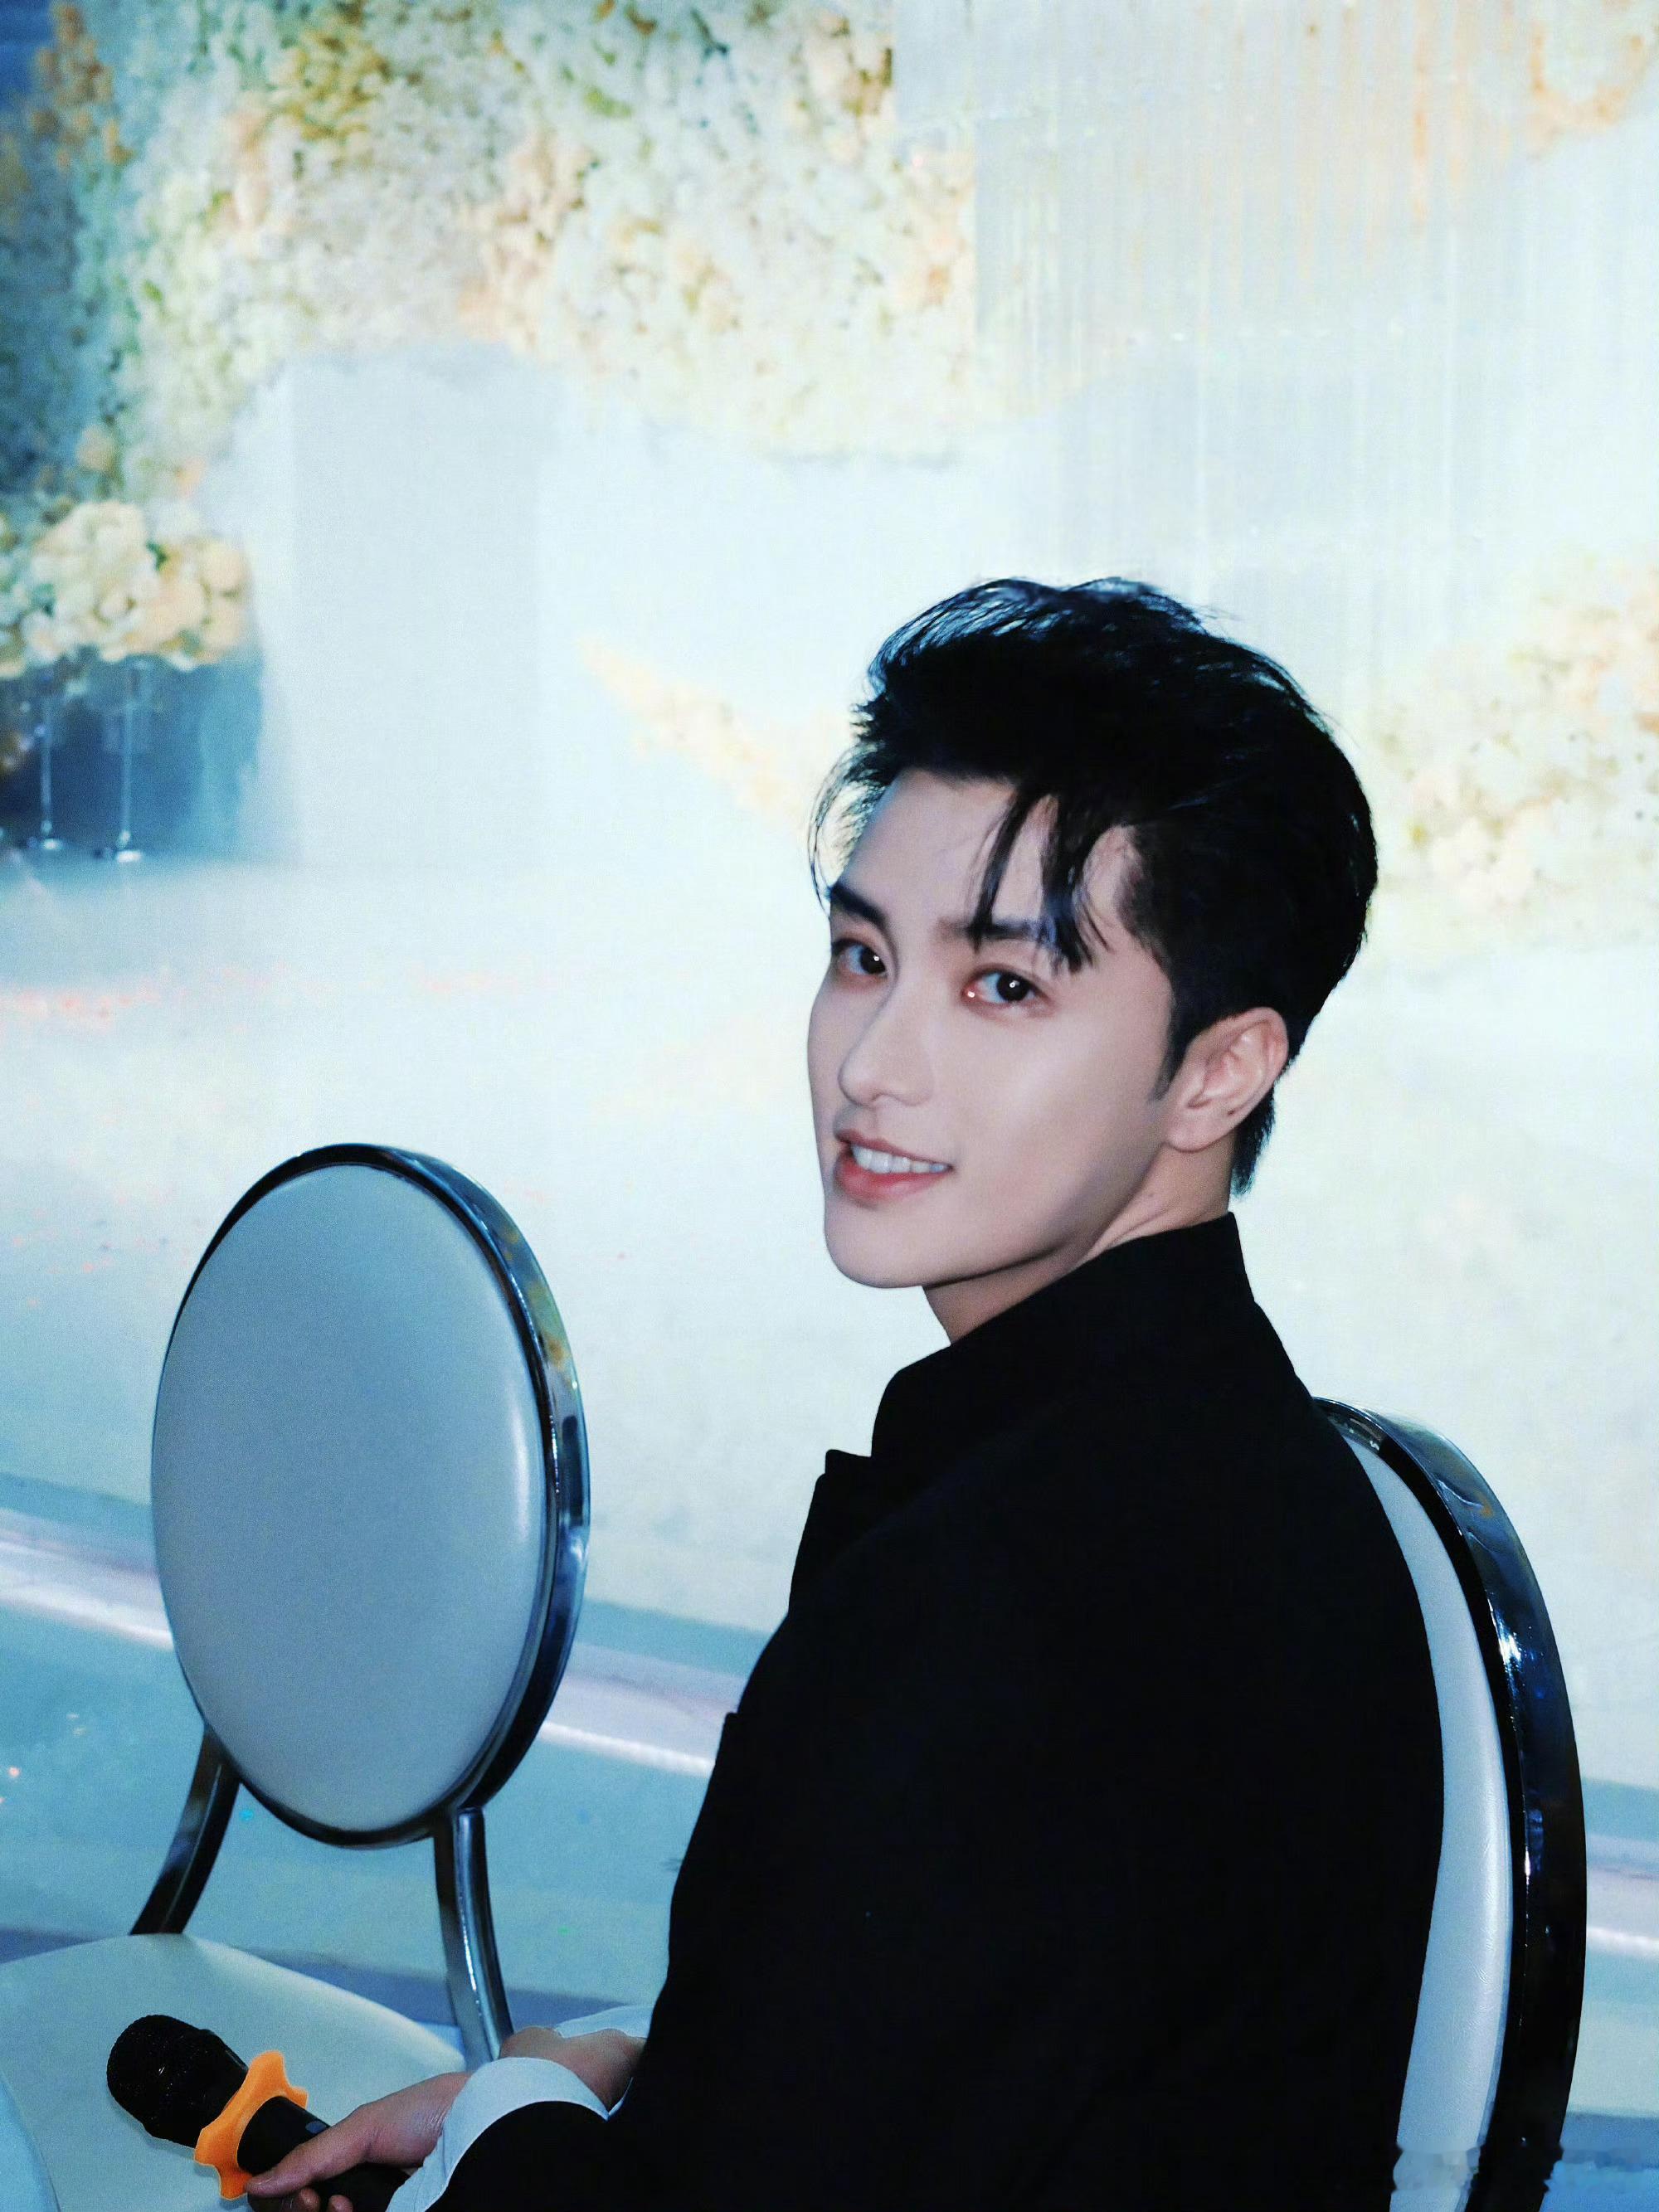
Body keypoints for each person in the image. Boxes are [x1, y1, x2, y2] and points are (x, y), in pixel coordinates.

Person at [251, 578, 1443, 2212]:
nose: (872, 1064)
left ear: (1219, 1068)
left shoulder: (998, 1610)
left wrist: (512, 2113)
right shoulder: (1251, 1474)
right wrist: (626, 2070)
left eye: (1002, 987)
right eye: (861, 955)